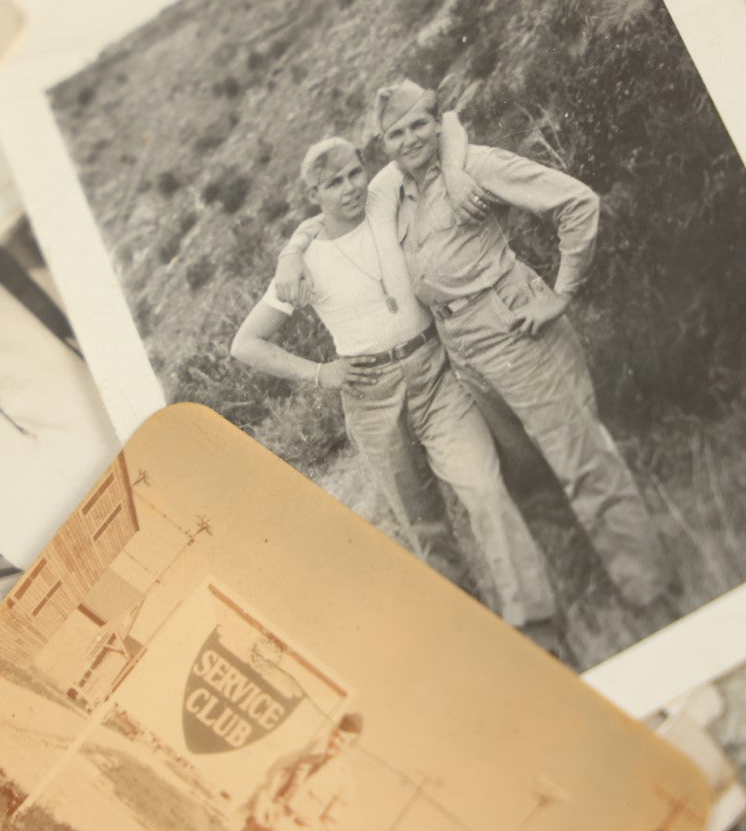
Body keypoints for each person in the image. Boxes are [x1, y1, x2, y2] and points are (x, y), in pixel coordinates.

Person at [275, 81, 673, 609]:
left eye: (419, 124)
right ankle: (588, 591)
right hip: (459, 348)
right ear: (386, 145)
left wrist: (562, 293)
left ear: (437, 123)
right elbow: (324, 210)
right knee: (524, 474)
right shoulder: (392, 194)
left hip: (512, 326)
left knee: (580, 458)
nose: (409, 138)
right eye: (396, 132)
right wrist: (291, 253)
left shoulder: (475, 166)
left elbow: (577, 203)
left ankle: (651, 593)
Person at [232, 138, 557, 630]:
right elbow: (246, 343)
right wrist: (320, 373)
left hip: (434, 371)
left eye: (353, 173)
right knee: (427, 529)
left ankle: (538, 623)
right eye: (333, 183)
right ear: (314, 193)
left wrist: (289, 245)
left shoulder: (383, 196)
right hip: (370, 396)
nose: (349, 188)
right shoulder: (307, 260)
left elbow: (440, 135)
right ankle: (480, 638)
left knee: (485, 489)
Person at [203, 712, 364, 831]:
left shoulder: (345, 784)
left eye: (342, 741)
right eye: (335, 736)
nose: (335, 742)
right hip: (259, 827)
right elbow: (272, 781)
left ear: (350, 746)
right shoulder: (306, 757)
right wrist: (259, 812)